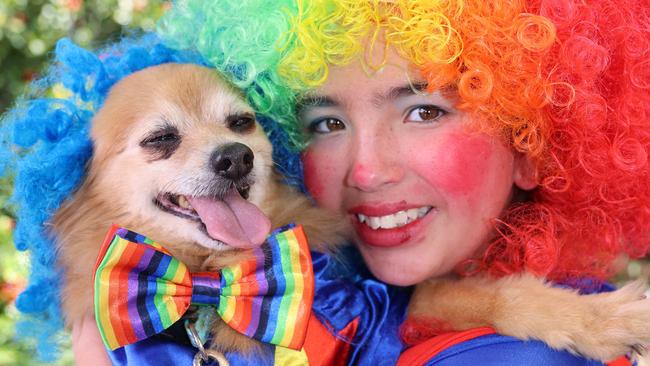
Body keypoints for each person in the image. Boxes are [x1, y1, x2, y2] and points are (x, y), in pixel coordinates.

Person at [158, 0, 650, 364]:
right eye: (327, 124)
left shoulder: (517, 356)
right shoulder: (330, 298)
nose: (367, 171)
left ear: (530, 144)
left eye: (423, 111)